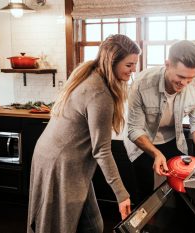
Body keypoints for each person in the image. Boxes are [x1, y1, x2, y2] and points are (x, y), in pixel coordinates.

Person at [27, 34, 141, 233]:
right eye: (129, 65)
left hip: (54, 155)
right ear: (111, 61)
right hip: (61, 163)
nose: (133, 70)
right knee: (61, 226)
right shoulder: (100, 94)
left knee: (92, 224)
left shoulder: (90, 73)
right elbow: (102, 151)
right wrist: (122, 195)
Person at [125, 40, 195, 204]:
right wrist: (156, 153)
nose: (184, 84)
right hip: (143, 143)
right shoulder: (142, 84)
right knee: (145, 196)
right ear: (167, 64)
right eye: (180, 76)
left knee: (181, 193)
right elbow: (134, 129)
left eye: (189, 78)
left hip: (174, 140)